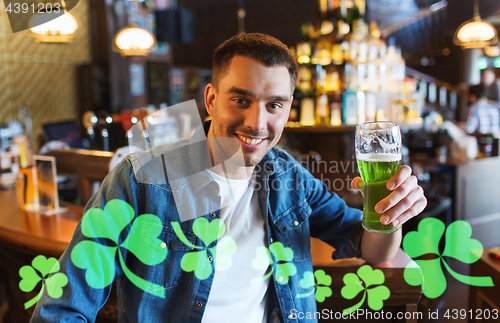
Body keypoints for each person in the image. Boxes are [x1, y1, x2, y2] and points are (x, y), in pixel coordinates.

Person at [31, 33, 426, 322]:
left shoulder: (291, 179)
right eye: (241, 99)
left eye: (274, 104)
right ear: (211, 99)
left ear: (288, 109)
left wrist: (387, 214)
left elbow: (374, 249)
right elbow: (62, 307)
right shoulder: (141, 181)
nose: (257, 122)